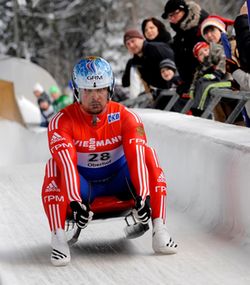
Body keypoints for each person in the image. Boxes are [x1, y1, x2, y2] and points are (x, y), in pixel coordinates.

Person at [41, 56, 177, 266]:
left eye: (101, 90)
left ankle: (160, 228)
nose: (95, 97)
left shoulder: (126, 117)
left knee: (149, 153)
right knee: (53, 166)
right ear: (78, 91)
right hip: (83, 187)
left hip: (120, 181)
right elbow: (67, 164)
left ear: (110, 89)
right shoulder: (61, 122)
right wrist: (75, 201)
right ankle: (58, 238)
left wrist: (143, 195)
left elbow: (137, 157)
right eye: (88, 91)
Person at [161, 0, 209, 96]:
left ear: (184, 10)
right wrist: (186, 81)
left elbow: (210, 56)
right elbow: (182, 62)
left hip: (212, 80)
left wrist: (195, 81)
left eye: (175, 13)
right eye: (169, 16)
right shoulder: (179, 36)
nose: (172, 18)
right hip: (197, 86)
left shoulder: (204, 26)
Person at [122, 28, 175, 108]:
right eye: (128, 44)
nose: (131, 45)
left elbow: (176, 64)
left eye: (133, 41)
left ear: (141, 39)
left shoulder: (156, 48)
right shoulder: (134, 62)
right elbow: (125, 83)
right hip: (159, 96)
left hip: (175, 90)